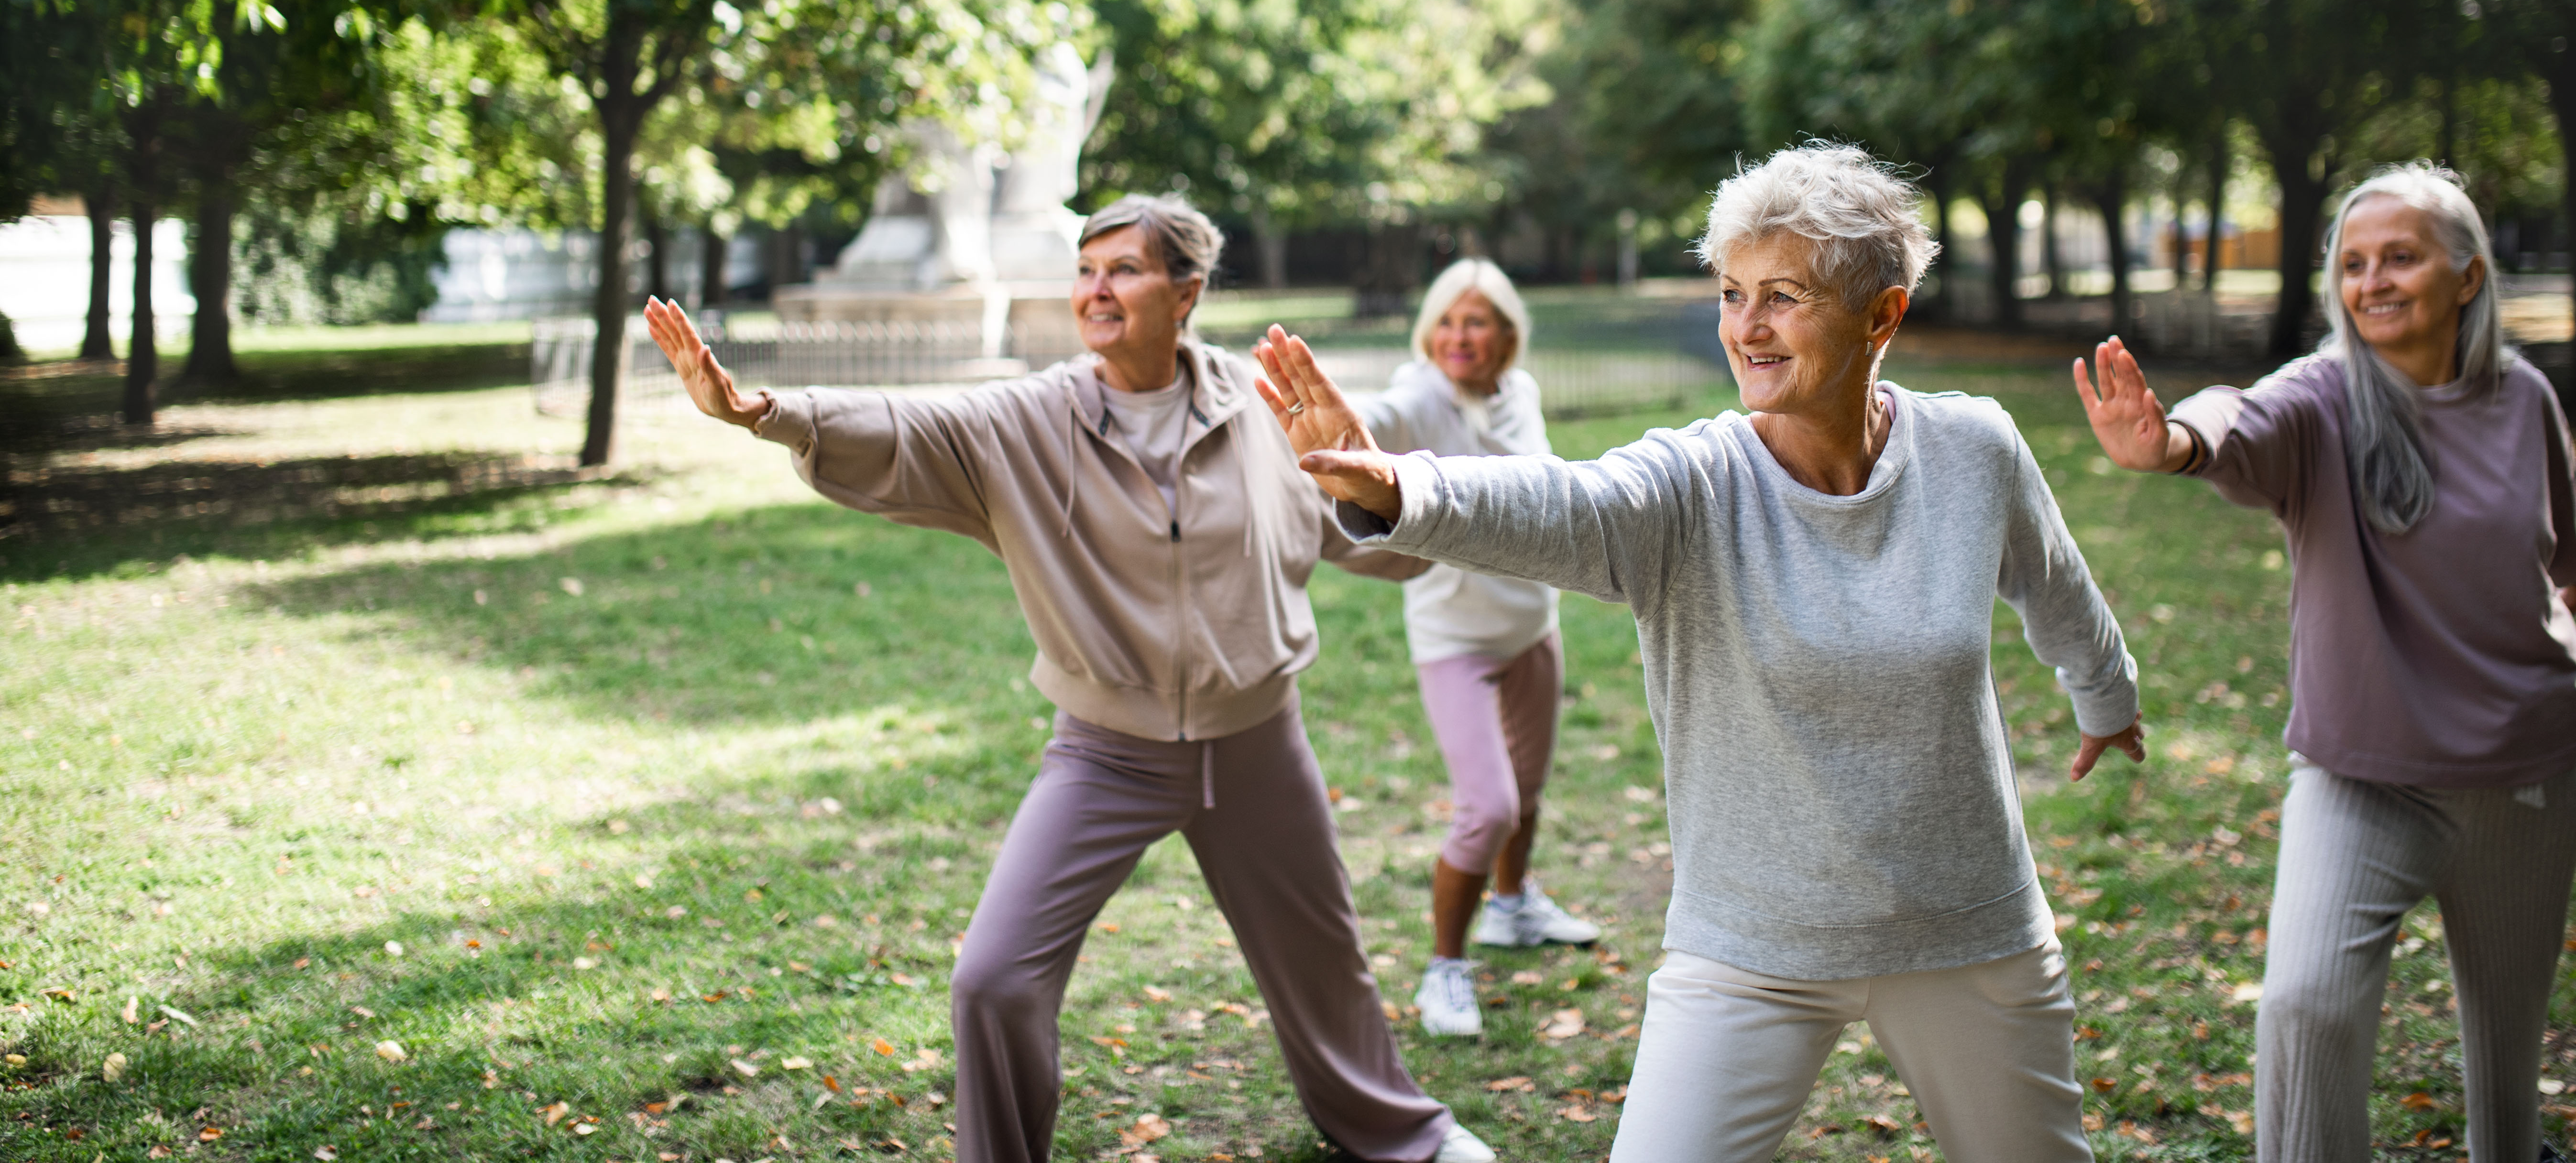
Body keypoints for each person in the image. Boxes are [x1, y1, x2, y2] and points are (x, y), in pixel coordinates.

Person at [1255, 144, 2147, 1163]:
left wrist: (2104, 694)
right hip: (1747, 944)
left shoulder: (1973, 451)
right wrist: (1397, 489)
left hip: (1965, 929)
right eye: (1730, 293)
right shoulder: (1693, 482)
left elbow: (2057, 585)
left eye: (1783, 296)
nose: (1745, 327)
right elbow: (1560, 503)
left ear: (1881, 316)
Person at [643, 193, 1497, 1163]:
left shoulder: (1260, 406)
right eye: (1086, 270)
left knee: (1323, 963)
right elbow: (907, 427)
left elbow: (1376, 542)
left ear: (1186, 291)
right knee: (992, 979)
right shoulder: (1031, 417)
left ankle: (1399, 1136)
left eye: (1123, 269)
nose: (1096, 289)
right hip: (1106, 752)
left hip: (1258, 739)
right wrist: (765, 413)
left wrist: (1377, 493)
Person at [2075, 164, 2576, 1163]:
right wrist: (2174, 440)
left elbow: (2566, 556)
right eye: (2351, 265)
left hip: (2521, 780)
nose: (2372, 282)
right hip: (2362, 778)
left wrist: (2552, 606)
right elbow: (2236, 419)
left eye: (2399, 257)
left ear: (2467, 275)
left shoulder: (2521, 396)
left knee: (2503, 1063)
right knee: (2303, 1008)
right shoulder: (2320, 400)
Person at [1346, 260, 1599, 1039]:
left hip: (1532, 622)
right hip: (1454, 637)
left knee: (1527, 791)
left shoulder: (1518, 393)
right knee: (1486, 807)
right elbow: (1375, 419)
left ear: (1507, 334)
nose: (1461, 338)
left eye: (1477, 322)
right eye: (1449, 322)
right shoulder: (1421, 395)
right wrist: (1330, 423)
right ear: (1430, 330)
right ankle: (1444, 967)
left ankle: (1514, 907)